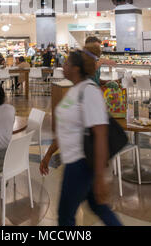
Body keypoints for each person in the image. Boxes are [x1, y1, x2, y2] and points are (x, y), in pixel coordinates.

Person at [39, 43, 122, 226]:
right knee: (98, 207)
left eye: (67, 63)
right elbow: (67, 130)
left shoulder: (89, 91)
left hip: (81, 164)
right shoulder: (74, 91)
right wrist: (48, 154)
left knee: (65, 216)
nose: (63, 66)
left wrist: (100, 177)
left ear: (76, 69)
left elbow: (100, 134)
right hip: (75, 162)